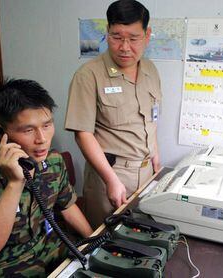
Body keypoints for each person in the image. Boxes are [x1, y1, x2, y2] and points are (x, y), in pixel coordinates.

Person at [0, 78, 93, 277]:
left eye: (46, 125)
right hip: (7, 267)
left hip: (53, 252)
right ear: (1, 133)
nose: (41, 139)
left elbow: (67, 207)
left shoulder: (53, 161)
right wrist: (15, 183)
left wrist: (94, 244)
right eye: (28, 130)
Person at [65, 0, 162, 229]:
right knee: (106, 245)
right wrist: (111, 180)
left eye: (133, 38)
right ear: (107, 33)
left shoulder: (150, 70)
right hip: (110, 176)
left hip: (147, 172)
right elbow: (83, 134)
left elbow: (152, 118)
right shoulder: (89, 75)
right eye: (117, 37)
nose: (125, 47)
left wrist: (155, 154)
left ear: (147, 35)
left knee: (141, 240)